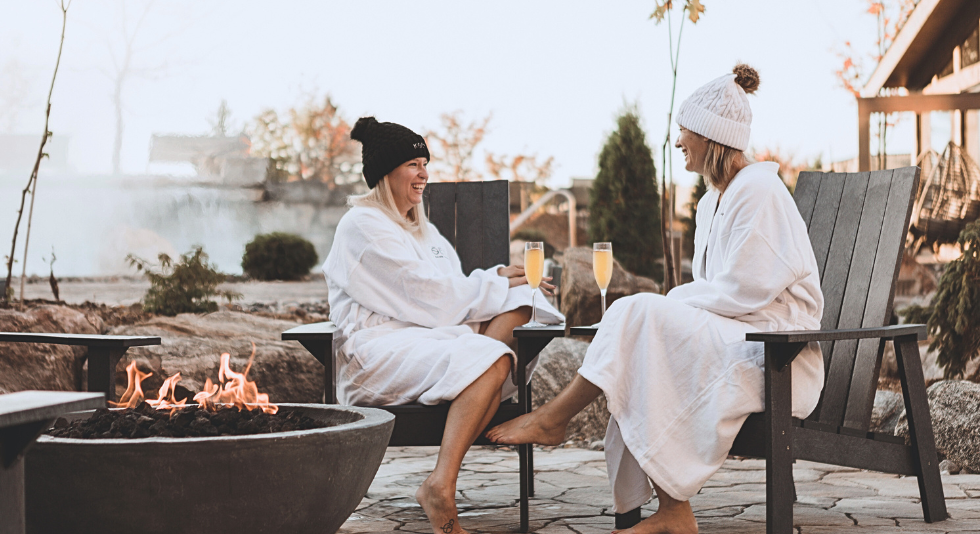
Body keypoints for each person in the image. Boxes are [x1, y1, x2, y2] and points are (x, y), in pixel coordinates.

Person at [487, 64, 824, 534]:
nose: (679, 140)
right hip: (736, 335)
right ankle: (672, 512)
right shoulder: (714, 200)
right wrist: (673, 308)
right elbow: (722, 292)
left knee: (639, 314)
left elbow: (747, 288)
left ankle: (554, 419)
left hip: (776, 354)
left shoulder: (760, 190)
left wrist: (671, 304)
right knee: (641, 343)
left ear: (711, 136)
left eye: (684, 130)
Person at [322, 116, 563, 534]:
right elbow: (426, 296)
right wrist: (494, 280)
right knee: (492, 355)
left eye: (424, 164)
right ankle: (440, 483)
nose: (424, 174)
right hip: (376, 353)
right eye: (414, 164)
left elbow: (447, 287)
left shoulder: (423, 230)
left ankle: (478, 379)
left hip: (427, 339)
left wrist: (501, 278)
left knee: (524, 298)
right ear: (385, 173)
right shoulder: (361, 226)